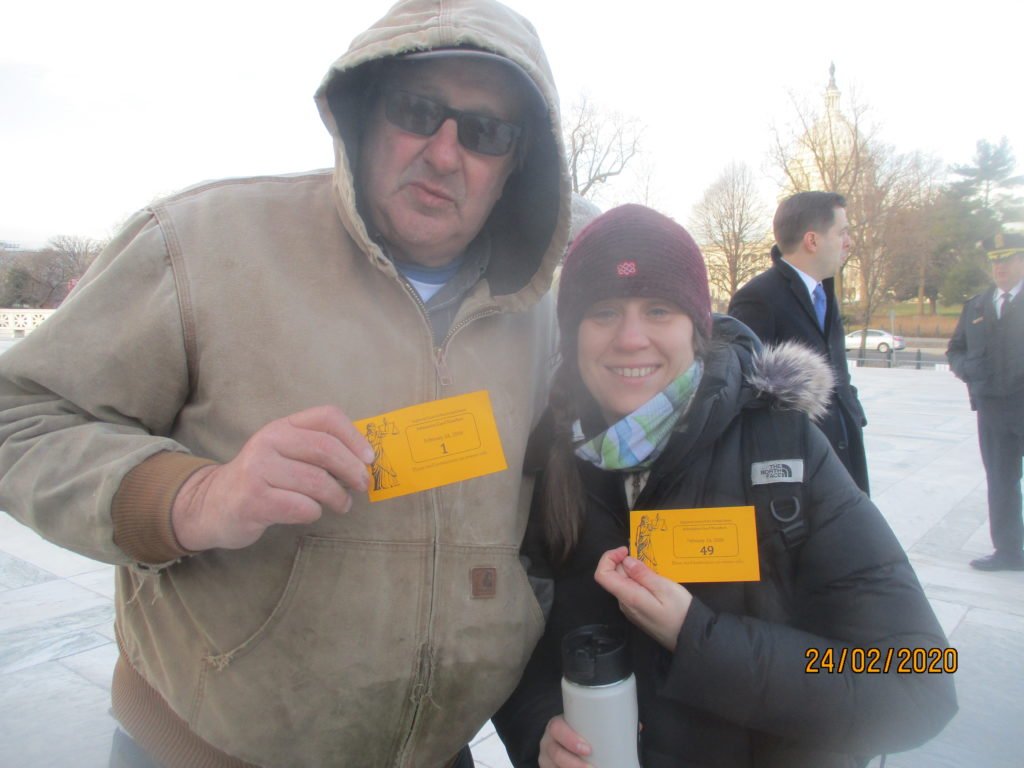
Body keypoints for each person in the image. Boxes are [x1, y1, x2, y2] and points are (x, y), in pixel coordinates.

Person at [0, 1, 571, 765]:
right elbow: (21, 414)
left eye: (484, 131)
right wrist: (195, 497)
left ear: (515, 164)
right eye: (418, 110)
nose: (444, 152)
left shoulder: (545, 312)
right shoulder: (205, 244)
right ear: (364, 115)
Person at [494, 204, 956, 767]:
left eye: (659, 309)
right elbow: (515, 655)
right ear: (573, 334)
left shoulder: (782, 452)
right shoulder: (549, 466)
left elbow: (918, 679)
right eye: (604, 311)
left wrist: (699, 637)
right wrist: (539, 731)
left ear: (697, 327)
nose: (631, 338)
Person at [729, 191, 870, 495]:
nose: (848, 242)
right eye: (842, 232)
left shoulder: (824, 292)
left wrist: (853, 414)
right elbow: (743, 396)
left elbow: (836, 372)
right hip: (801, 477)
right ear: (812, 240)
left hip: (844, 458)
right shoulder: (757, 298)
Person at [948, 233, 1024, 571]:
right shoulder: (977, 305)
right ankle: (1008, 551)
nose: (1000, 267)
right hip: (993, 409)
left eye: (1007, 259)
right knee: (1000, 480)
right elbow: (955, 350)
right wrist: (969, 372)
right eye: (995, 260)